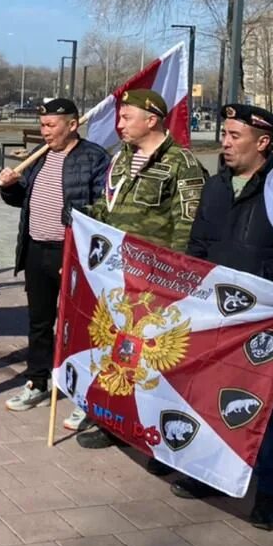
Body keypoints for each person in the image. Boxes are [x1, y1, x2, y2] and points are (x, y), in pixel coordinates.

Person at [166, 103, 273, 530]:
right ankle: (213, 474)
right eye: (224, 134)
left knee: (266, 404)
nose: (224, 142)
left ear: (262, 143)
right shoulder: (216, 186)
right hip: (214, 312)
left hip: (265, 318)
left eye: (234, 136)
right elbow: (198, 243)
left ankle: (271, 493)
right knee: (211, 394)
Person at [76, 88, 207, 450]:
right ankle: (111, 418)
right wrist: (81, 217)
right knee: (113, 352)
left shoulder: (183, 164)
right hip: (117, 276)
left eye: (126, 117)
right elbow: (108, 209)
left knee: (149, 363)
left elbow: (188, 226)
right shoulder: (121, 159)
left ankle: (148, 429)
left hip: (155, 284)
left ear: (152, 120)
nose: (119, 125)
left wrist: (178, 283)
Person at [0, 97, 109, 412]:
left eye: (50, 125)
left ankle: (83, 391)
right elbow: (24, 200)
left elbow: (102, 206)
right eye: (42, 125)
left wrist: (73, 216)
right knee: (39, 321)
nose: (44, 132)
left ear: (72, 125)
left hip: (71, 252)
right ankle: (37, 381)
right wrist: (9, 188)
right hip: (35, 248)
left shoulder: (94, 158)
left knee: (80, 324)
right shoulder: (39, 156)